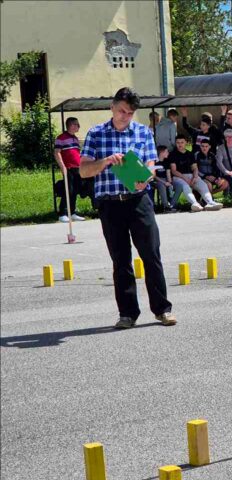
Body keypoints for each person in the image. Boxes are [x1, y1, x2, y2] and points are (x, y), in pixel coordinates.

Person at [79, 87, 176, 329]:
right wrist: (105, 162)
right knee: (121, 260)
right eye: (122, 110)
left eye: (130, 112)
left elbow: (152, 166)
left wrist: (146, 177)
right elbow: (83, 170)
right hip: (110, 205)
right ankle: (127, 314)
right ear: (112, 106)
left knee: (151, 255)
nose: (125, 116)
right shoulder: (96, 134)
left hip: (139, 200)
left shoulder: (143, 132)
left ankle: (162, 309)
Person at [169, 134, 222, 212]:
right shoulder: (172, 154)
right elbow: (174, 171)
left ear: (186, 143)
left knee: (203, 184)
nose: (180, 144)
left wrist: (195, 176)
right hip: (178, 177)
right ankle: (195, 204)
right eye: (178, 142)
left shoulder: (190, 154)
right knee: (185, 186)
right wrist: (185, 179)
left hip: (191, 176)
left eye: (182, 142)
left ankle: (210, 202)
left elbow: (195, 168)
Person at [54, 117, 87, 222]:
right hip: (68, 168)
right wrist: (62, 166)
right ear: (71, 125)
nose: (78, 126)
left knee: (75, 190)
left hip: (77, 167)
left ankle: (72, 212)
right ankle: (62, 213)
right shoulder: (61, 138)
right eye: (77, 124)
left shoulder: (75, 139)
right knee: (69, 189)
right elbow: (57, 152)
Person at [149, 145, 174, 213]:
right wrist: (164, 182)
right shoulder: (155, 162)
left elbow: (168, 173)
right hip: (156, 180)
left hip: (165, 179)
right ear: (162, 153)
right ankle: (165, 206)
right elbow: (154, 175)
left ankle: (172, 205)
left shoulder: (166, 162)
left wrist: (170, 182)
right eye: (166, 151)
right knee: (161, 185)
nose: (168, 153)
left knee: (171, 186)